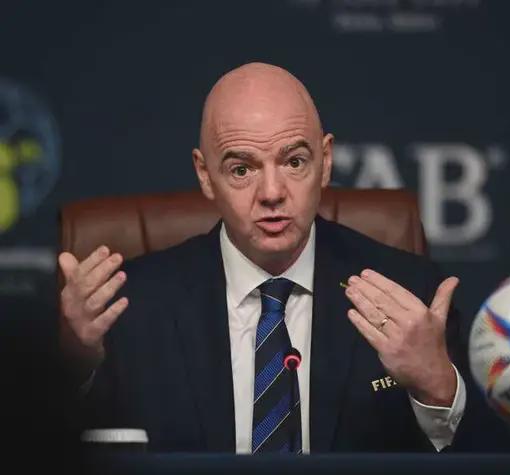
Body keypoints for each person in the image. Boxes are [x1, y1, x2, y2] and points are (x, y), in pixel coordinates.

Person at [58, 62, 468, 454]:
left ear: (325, 161)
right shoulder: (129, 309)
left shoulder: (412, 294)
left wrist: (437, 386)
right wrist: (74, 367)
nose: (272, 193)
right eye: (242, 170)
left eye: (294, 162)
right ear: (205, 175)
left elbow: (487, 457)